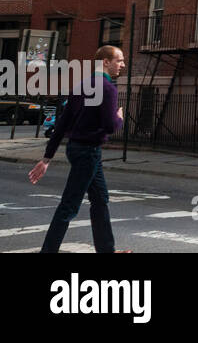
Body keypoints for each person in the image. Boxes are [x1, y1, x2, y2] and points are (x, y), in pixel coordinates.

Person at [29, 46, 127, 253]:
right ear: (105, 62)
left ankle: (106, 249)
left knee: (100, 199)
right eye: (119, 60)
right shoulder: (107, 88)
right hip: (88, 151)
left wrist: (47, 158)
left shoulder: (81, 86)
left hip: (78, 149)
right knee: (69, 205)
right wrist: (119, 118)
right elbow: (110, 126)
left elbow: (62, 125)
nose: (122, 65)